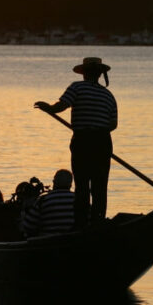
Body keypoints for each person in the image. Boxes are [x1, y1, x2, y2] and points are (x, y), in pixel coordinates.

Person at [34, 57, 118, 227]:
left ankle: (81, 225)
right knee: (99, 187)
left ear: (84, 73)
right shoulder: (109, 95)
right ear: (100, 75)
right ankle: (97, 222)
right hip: (103, 142)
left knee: (82, 185)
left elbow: (62, 106)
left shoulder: (77, 87)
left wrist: (48, 107)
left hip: (83, 141)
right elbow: (113, 124)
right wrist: (97, 126)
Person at [22, 169, 76, 236]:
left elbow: (27, 226)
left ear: (54, 182)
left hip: (48, 242)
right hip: (74, 240)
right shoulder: (79, 199)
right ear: (70, 184)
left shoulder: (43, 200)